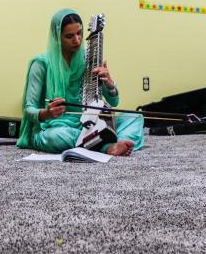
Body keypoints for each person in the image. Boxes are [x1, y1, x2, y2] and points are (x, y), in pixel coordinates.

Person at [17, 9, 143, 156]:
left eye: (79, 33)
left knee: (135, 117)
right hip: (54, 128)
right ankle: (107, 147)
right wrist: (46, 113)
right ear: (57, 37)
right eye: (69, 36)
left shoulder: (88, 59)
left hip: (88, 124)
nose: (77, 40)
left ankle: (114, 143)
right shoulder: (41, 64)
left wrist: (109, 83)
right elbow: (28, 109)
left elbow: (113, 102)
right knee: (55, 137)